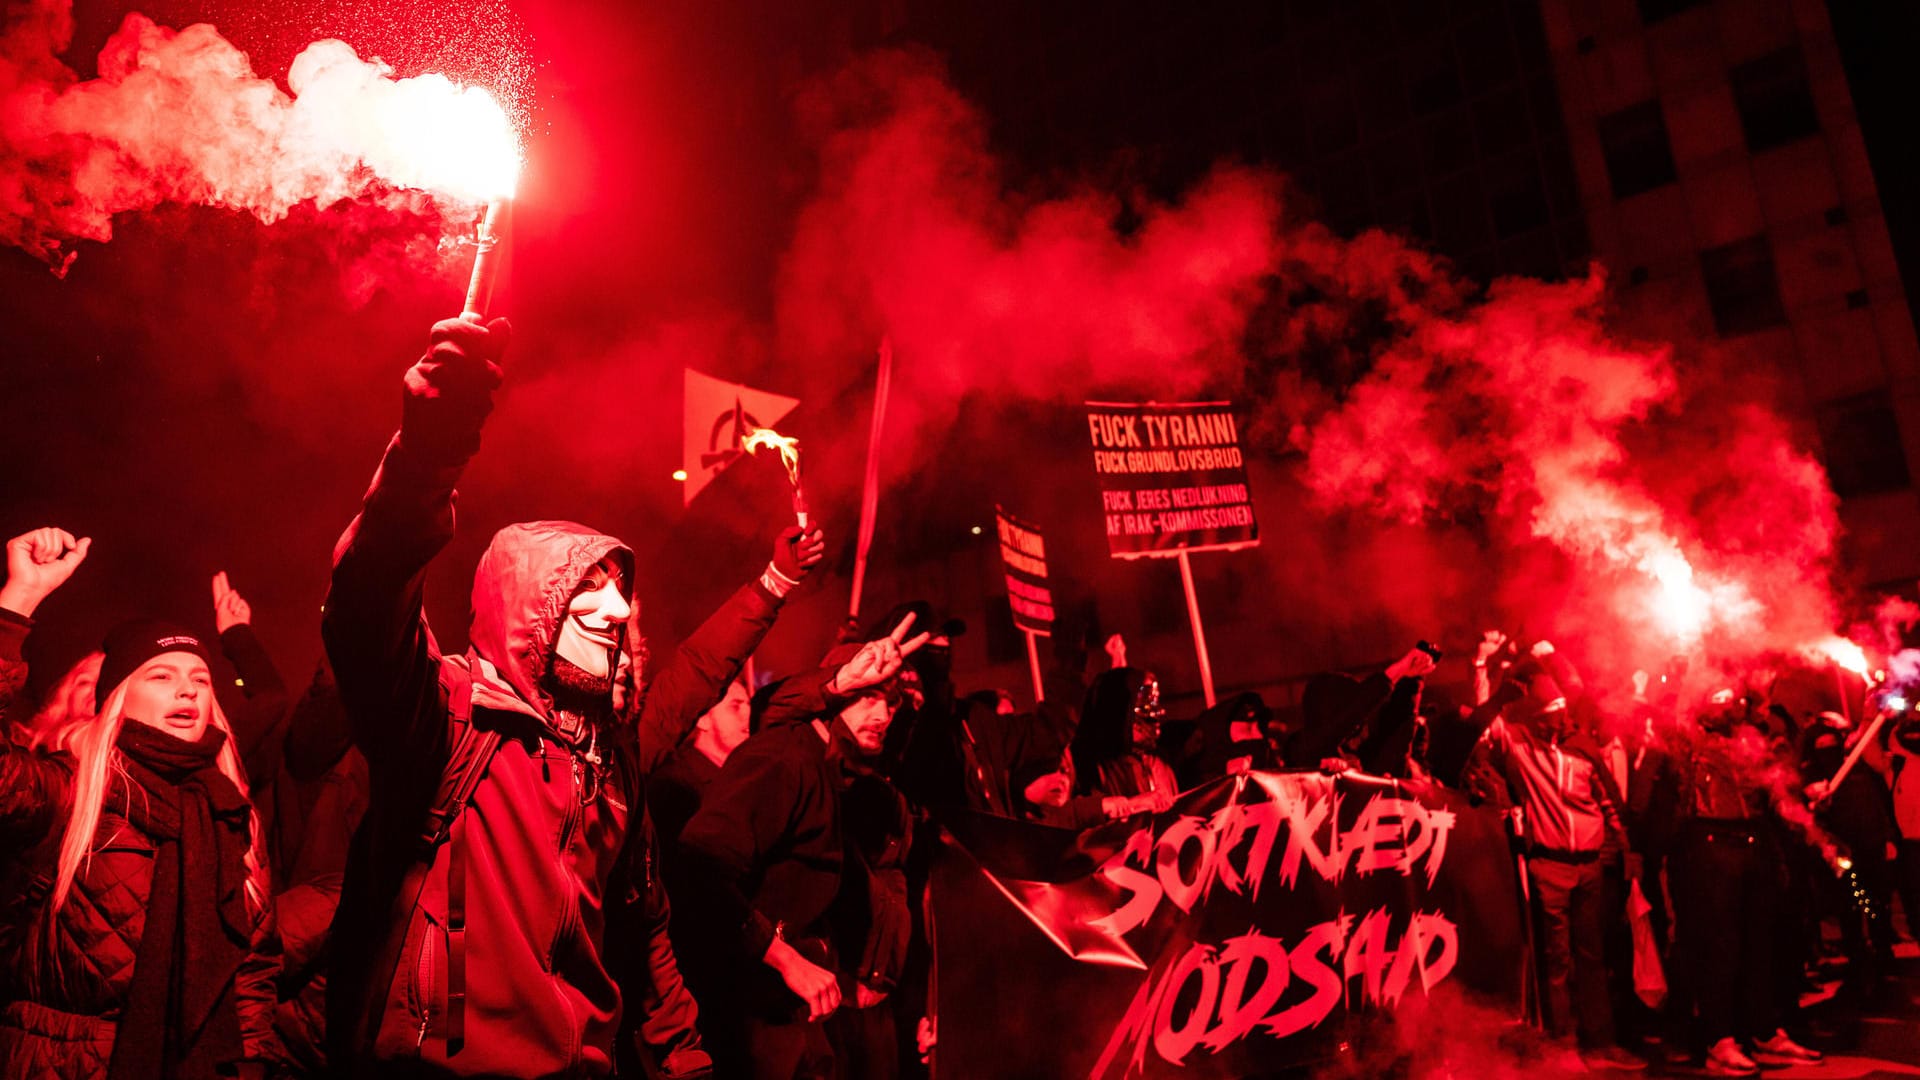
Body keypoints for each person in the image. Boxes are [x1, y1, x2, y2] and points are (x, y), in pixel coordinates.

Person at [323, 316, 779, 1077]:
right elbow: (367, 603)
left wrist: (685, 1062)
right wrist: (430, 452)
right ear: (529, 610)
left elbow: (646, 928)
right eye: (585, 591)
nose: (619, 610)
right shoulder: (448, 721)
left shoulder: (611, 767)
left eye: (622, 591)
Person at [0, 599, 282, 1077]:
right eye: (162, 676)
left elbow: (251, 971)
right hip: (61, 1062)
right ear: (119, 695)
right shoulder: (70, 789)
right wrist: (13, 609)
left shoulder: (229, 811)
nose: (187, 691)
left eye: (200, 679)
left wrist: (251, 1068)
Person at [672, 614, 927, 1079]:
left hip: (791, 1021)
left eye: (890, 703)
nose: (883, 715)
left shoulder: (830, 775)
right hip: (747, 1025)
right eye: (869, 696)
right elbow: (698, 871)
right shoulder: (782, 759)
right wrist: (786, 960)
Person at [1470, 639, 1644, 1072]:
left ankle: (1601, 1044)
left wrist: (1629, 854)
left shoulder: (1581, 748)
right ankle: (1562, 1049)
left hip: (1589, 868)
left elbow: (1610, 805)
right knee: (1557, 963)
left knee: (1592, 958)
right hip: (1548, 866)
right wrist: (1480, 666)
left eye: (1562, 709)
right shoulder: (1521, 749)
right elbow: (1482, 723)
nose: (1559, 716)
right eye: (1551, 710)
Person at [1070, 667, 1177, 807]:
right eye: (1145, 703)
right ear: (1120, 711)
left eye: (1154, 702)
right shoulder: (1089, 769)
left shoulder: (1159, 766)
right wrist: (1133, 805)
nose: (1156, 713)